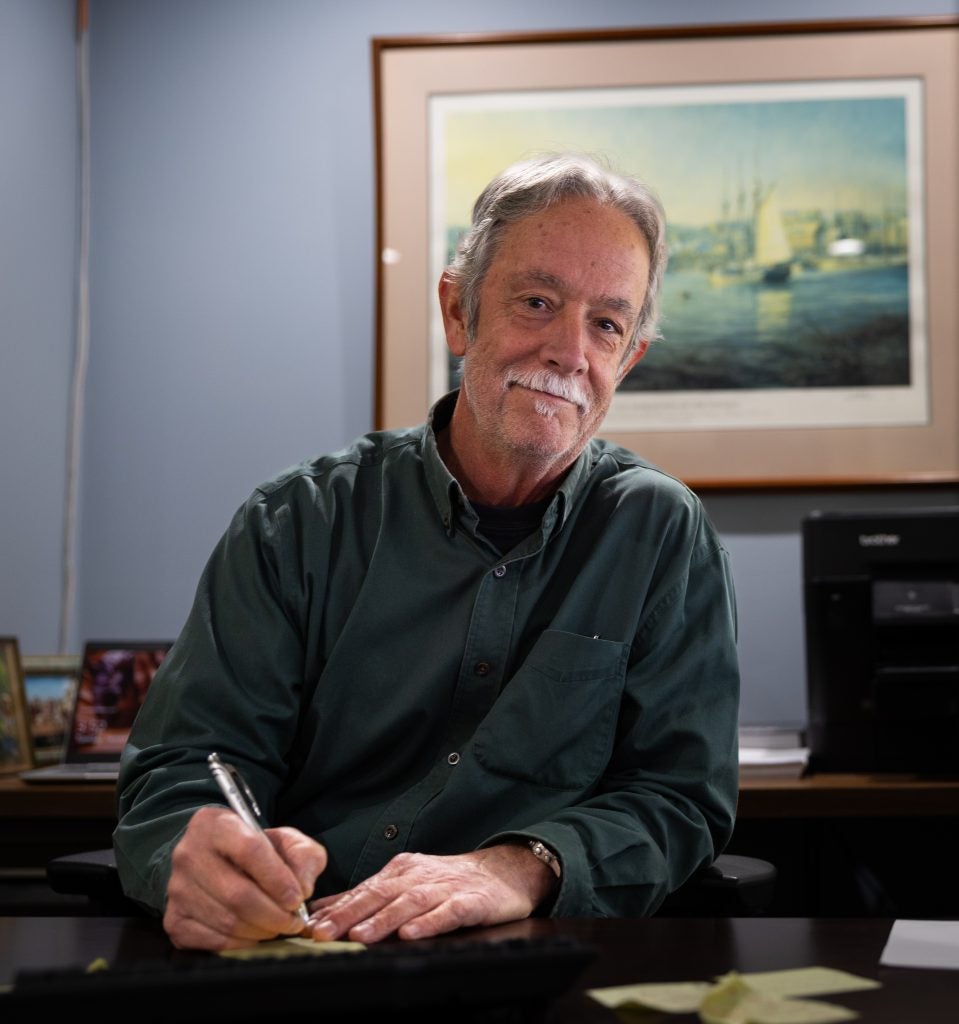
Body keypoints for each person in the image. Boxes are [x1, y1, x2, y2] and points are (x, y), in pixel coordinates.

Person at [114, 151, 740, 952]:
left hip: (532, 960)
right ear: (457, 312)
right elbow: (186, 767)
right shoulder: (296, 522)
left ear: (628, 359)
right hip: (304, 949)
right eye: (536, 301)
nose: (568, 351)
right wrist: (192, 854)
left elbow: (678, 797)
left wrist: (519, 867)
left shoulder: (659, 533)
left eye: (605, 325)